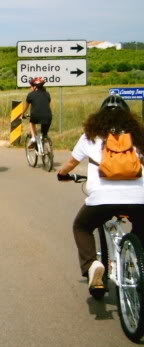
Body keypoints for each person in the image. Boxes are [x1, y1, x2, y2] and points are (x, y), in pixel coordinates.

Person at [57, 94, 144, 296]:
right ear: (128, 116)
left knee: (82, 226)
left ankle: (92, 265)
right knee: (141, 226)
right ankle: (137, 262)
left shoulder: (90, 136)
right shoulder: (138, 135)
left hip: (102, 199)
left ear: (99, 116)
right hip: (139, 198)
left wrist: (62, 174)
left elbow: (71, 163)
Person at [21, 77, 52, 147]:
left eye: (31, 86)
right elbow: (47, 105)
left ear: (35, 87)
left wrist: (22, 114)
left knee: (31, 122)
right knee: (44, 134)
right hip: (48, 116)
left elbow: (26, 107)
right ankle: (46, 145)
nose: (30, 88)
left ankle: (33, 138)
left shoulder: (30, 95)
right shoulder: (47, 94)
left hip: (36, 116)